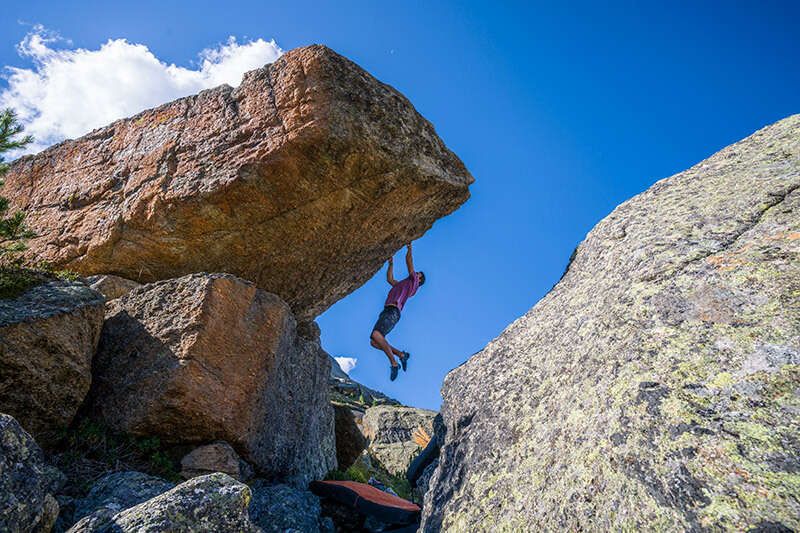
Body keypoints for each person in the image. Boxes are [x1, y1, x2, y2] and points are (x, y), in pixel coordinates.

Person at [370, 242, 426, 381]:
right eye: (417, 273)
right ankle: (401, 355)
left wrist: (409, 249)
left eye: (418, 274)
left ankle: (394, 364)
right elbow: (390, 279)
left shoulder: (413, 283)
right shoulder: (403, 284)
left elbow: (409, 262)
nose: (416, 273)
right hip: (388, 310)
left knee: (376, 334)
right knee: (374, 342)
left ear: (418, 280)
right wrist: (391, 264)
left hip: (393, 311)